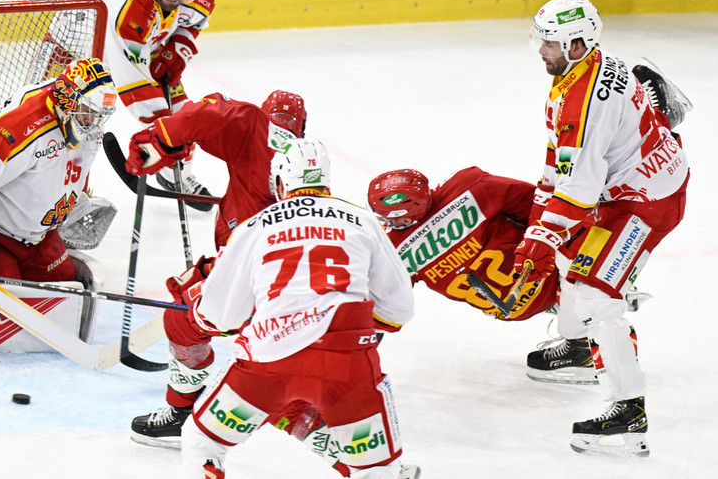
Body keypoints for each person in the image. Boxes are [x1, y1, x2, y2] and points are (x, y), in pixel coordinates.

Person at [177, 137, 417, 479]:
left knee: (203, 440)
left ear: (279, 182)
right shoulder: (363, 222)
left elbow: (219, 316)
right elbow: (399, 308)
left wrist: (198, 312)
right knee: (378, 472)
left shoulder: (255, 226)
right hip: (348, 366)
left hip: (267, 366)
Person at [516, 0, 690, 457]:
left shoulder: (584, 102)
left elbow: (579, 191)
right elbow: (560, 164)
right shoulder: (586, 68)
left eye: (549, 43)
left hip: (646, 201)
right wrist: (540, 227)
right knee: (563, 250)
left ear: (577, 44)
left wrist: (537, 236)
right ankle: (577, 349)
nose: (540, 50)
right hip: (631, 186)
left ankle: (628, 412)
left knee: (595, 291)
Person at [122, 89, 309, 442]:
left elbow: (208, 114)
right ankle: (368, 462)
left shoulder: (257, 132)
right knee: (282, 376)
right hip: (302, 289)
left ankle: (181, 414)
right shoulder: (309, 164)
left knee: (182, 319)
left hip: (255, 277)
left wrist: (162, 141)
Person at [0, 57, 118, 282]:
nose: (94, 121)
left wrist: (74, 205)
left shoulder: (83, 118)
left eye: (100, 114)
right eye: (89, 111)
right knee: (8, 298)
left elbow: (73, 166)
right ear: (68, 100)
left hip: (38, 238)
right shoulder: (22, 127)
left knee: (68, 283)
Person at [82, 0, 215, 210]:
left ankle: (175, 176)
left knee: (183, 115)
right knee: (71, 130)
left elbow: (194, 21)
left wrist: (180, 46)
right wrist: (164, 134)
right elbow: (132, 83)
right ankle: (63, 200)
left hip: (138, 45)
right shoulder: (129, 9)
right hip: (75, 48)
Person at [367, 166, 561, 321]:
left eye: (389, 218)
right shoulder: (468, 185)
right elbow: (537, 204)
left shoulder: (394, 249)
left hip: (513, 310)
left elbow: (388, 303)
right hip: (553, 271)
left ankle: (572, 323)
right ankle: (574, 323)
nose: (386, 223)